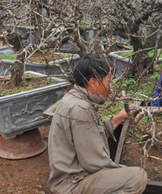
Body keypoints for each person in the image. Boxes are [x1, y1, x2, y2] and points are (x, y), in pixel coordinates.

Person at [48, 54, 147, 194]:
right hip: (72, 184)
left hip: (72, 177)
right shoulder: (81, 109)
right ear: (93, 82)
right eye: (109, 82)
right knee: (137, 177)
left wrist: (117, 119)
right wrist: (122, 171)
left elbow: (92, 135)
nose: (111, 87)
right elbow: (93, 162)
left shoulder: (76, 97)